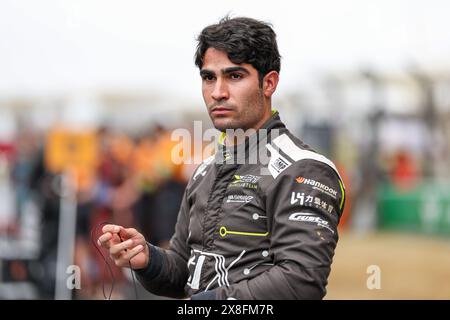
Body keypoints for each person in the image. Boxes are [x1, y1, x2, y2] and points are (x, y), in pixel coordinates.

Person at [98, 16, 346, 300]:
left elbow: (301, 282)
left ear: (269, 83)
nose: (218, 92)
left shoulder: (304, 169)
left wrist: (208, 303)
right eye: (209, 77)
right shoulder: (204, 170)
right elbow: (184, 270)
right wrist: (147, 259)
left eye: (234, 76)